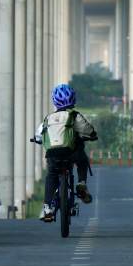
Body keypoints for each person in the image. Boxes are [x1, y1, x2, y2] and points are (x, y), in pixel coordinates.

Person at [37, 83, 97, 222]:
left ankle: (47, 207)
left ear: (54, 101)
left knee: (52, 175)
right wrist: (92, 135)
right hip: (72, 153)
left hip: (53, 155)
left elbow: (39, 136)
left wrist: (38, 140)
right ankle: (81, 183)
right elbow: (88, 130)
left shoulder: (48, 118)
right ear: (73, 99)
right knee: (82, 161)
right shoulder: (75, 116)